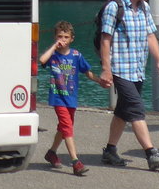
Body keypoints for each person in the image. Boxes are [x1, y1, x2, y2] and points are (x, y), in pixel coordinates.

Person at [98, 0, 159, 170]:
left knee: (123, 111)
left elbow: (150, 35)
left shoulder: (144, 8)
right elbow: (105, 40)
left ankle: (110, 151)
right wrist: (106, 69)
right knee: (136, 109)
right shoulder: (114, 8)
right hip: (120, 69)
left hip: (137, 69)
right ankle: (151, 154)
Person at [39, 20, 109, 175]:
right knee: (67, 127)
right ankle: (75, 162)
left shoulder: (76, 55)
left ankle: (51, 152)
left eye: (65, 37)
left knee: (63, 127)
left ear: (71, 39)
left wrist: (100, 81)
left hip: (71, 98)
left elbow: (87, 72)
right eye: (59, 36)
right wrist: (53, 47)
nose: (62, 40)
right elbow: (42, 60)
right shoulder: (53, 56)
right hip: (58, 98)